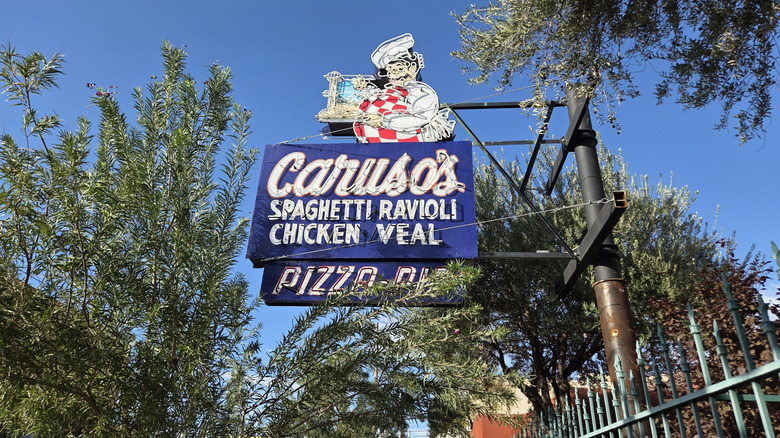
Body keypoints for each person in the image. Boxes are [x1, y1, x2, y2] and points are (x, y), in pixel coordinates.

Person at [352, 34, 455, 143]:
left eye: (399, 69)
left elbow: (421, 118)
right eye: (390, 71)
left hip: (411, 145)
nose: (393, 74)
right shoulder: (391, 91)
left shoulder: (420, 91)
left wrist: (383, 120)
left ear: (412, 68)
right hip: (373, 149)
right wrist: (363, 89)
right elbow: (378, 100)